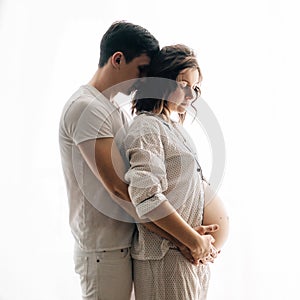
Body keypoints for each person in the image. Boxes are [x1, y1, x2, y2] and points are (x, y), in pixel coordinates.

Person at [59, 21, 219, 300]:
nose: (147, 80)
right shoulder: (86, 108)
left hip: (125, 243)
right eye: (143, 70)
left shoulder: (114, 111)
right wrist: (185, 239)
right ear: (118, 59)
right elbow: (121, 189)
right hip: (104, 250)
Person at [123, 44, 229, 299]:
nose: (191, 95)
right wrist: (192, 240)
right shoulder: (146, 128)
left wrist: (198, 240)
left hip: (189, 255)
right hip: (167, 256)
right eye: (183, 84)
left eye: (195, 87)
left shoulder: (173, 128)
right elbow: (146, 198)